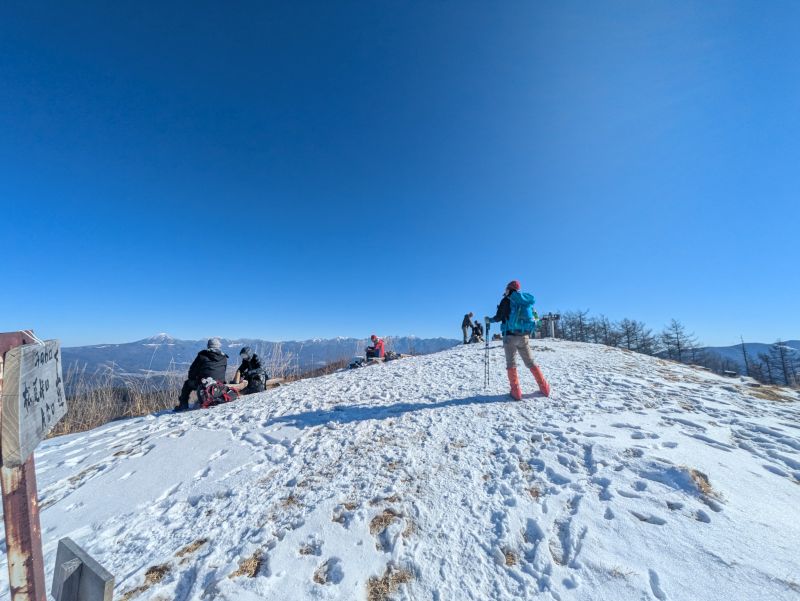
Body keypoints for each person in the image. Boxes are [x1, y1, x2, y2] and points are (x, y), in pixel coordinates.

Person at [485, 280, 550, 400]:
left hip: (509, 336)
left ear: (510, 289)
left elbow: (499, 317)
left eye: (506, 289)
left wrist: (489, 320)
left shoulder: (506, 300)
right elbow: (535, 317)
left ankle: (516, 392)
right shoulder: (526, 301)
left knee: (511, 363)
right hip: (524, 335)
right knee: (531, 362)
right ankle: (545, 388)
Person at [174, 338, 229, 411]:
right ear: (219, 346)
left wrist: (193, 378)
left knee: (187, 384)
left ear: (208, 346)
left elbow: (192, 371)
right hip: (219, 385)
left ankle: (183, 406)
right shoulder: (224, 358)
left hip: (205, 385)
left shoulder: (202, 356)